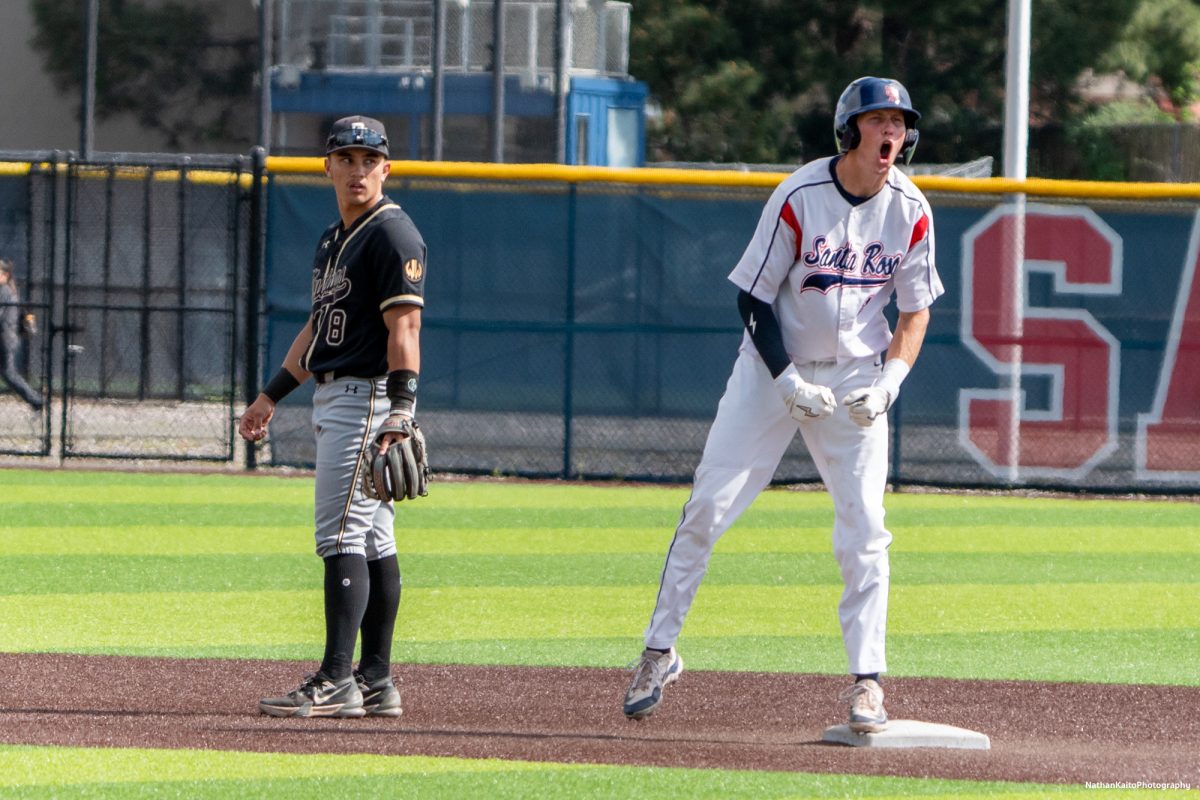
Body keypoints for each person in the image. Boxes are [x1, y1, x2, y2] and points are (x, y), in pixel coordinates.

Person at [622, 77, 943, 733]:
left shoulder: (911, 210)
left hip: (858, 377)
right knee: (707, 507)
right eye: (878, 120)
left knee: (866, 529)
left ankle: (868, 683)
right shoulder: (800, 194)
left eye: (900, 122)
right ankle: (659, 651)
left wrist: (890, 384)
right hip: (772, 370)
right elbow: (753, 298)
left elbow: (916, 310)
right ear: (849, 129)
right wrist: (787, 379)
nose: (891, 133)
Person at [238, 116, 427, 718]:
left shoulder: (394, 235)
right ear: (328, 167)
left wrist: (401, 410)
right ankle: (375, 680)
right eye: (346, 158)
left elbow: (406, 328)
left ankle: (335, 679)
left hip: (368, 399)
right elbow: (321, 327)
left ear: (386, 168)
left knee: (339, 535)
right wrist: (271, 393)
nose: (357, 170)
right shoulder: (333, 239)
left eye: (368, 159)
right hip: (335, 393)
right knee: (372, 537)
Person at [0, 259, 44, 411]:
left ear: (5, 275)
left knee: (9, 373)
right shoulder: (7, 290)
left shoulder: (4, 290)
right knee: (8, 373)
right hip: (7, 339)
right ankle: (36, 401)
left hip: (4, 339)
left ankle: (36, 401)